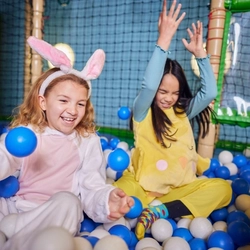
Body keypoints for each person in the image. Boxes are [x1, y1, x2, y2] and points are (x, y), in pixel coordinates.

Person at [0, 36, 134, 249]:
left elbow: (92, 185)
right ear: (43, 101)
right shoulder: (26, 133)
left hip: (55, 218)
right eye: (63, 100)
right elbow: (5, 156)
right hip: (17, 211)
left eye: (80, 103)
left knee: (69, 202)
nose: (72, 110)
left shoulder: (87, 141)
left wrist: (107, 200)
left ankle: (14, 242)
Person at [114, 0, 232, 240]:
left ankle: (162, 212)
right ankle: (158, 210)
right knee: (114, 194)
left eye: (175, 93)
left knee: (224, 189)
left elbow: (209, 93)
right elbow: (148, 85)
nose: (168, 98)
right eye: (163, 91)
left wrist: (201, 55)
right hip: (140, 188)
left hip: (174, 194)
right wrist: (164, 39)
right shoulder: (142, 110)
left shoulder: (182, 113)